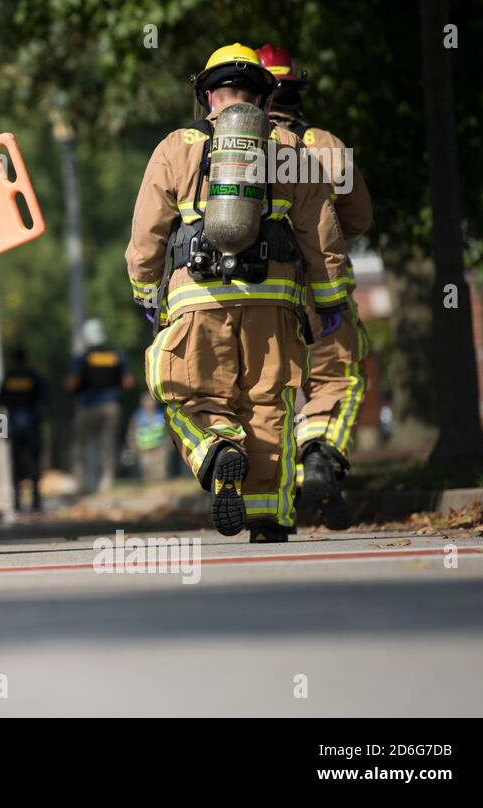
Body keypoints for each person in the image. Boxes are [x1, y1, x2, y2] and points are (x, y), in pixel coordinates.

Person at [125, 43, 349, 542]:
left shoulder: (175, 147)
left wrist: (145, 288)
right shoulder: (290, 150)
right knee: (269, 403)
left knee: (188, 393)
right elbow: (321, 230)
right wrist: (330, 298)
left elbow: (147, 233)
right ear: (265, 101)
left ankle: (215, 451)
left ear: (208, 97)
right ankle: (268, 516)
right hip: (274, 300)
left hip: (197, 299)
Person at [259, 43, 372, 530]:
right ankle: (320, 457)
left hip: (259, 293)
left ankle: (275, 502)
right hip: (320, 289)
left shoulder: (225, 145)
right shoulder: (324, 143)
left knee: (267, 392)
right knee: (335, 380)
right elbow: (360, 217)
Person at [66, 319, 133, 494]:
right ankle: (106, 483)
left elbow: (72, 383)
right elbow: (128, 382)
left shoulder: (83, 358)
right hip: (111, 406)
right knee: (108, 445)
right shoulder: (116, 355)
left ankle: (81, 483)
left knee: (80, 446)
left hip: (88, 407)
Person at [0, 347, 47, 511]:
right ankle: (36, 499)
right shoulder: (34, 376)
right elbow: (43, 402)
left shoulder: (8, 378)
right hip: (32, 426)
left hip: (13, 426)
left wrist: (2, 431)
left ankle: (17, 500)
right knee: (34, 463)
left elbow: (0, 406)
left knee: (16, 464)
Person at [128, 393, 171, 484]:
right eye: (146, 403)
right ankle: (149, 486)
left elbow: (168, 430)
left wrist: (169, 443)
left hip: (160, 447)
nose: (149, 405)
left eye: (151, 403)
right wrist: (132, 444)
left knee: (160, 469)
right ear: (142, 404)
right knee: (146, 468)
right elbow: (132, 431)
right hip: (143, 448)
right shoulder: (137, 416)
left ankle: (160, 486)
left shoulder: (161, 414)